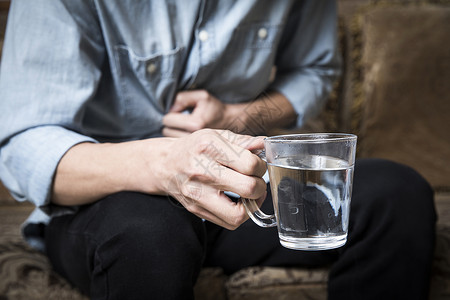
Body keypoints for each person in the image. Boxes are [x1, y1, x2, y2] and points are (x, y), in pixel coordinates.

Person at [0, 1, 436, 299]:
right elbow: (24, 145)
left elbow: (315, 71)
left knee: (398, 196)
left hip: (244, 192)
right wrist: (163, 164)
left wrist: (236, 117)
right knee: (152, 236)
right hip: (108, 199)